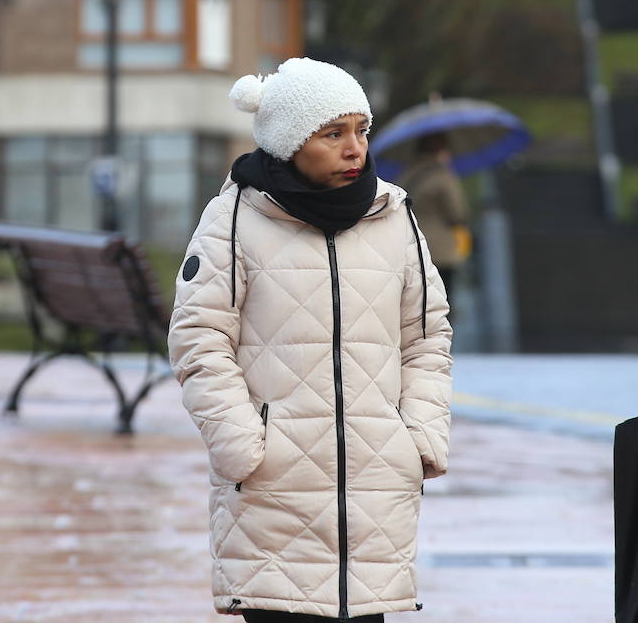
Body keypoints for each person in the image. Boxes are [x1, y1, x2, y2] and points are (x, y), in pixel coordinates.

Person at [169, 57, 453, 622]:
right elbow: (199, 338)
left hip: (376, 490)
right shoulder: (232, 217)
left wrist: (418, 436)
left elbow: (426, 336)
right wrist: (243, 447)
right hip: (273, 491)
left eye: (361, 130)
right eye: (334, 134)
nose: (356, 149)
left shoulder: (394, 214)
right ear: (289, 141)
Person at [395, 132, 470, 297]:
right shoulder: (442, 176)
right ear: (441, 150)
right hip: (440, 252)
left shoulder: (405, 175)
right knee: (441, 305)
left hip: (410, 249)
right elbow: (457, 214)